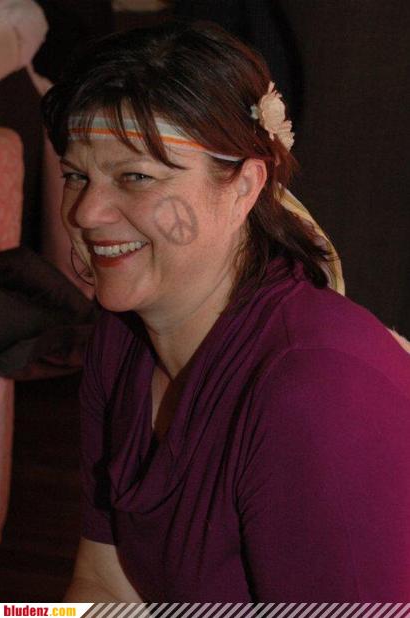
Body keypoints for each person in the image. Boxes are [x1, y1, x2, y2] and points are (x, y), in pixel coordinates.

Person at [42, 21, 410, 602]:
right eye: (75, 176)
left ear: (244, 186)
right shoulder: (123, 337)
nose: (86, 212)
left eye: (135, 177)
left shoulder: (314, 392)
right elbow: (104, 585)